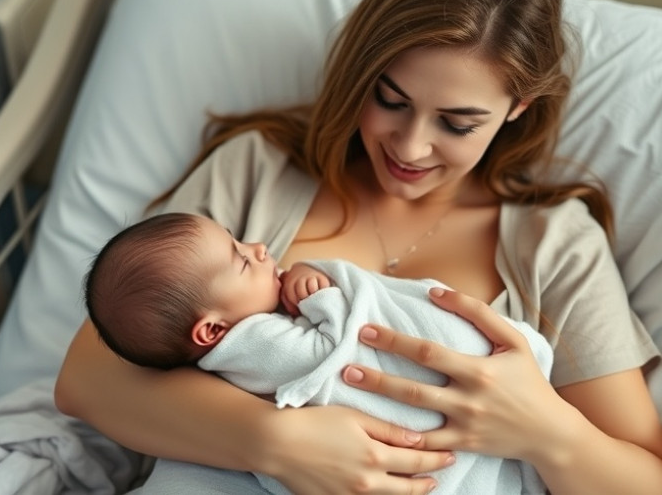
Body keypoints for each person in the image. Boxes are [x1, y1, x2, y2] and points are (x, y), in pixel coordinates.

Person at [55, 0, 662, 493]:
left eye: (458, 123)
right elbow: (86, 379)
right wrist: (278, 444)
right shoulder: (258, 173)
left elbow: (654, 484)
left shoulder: (553, 245)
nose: (410, 147)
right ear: (361, 71)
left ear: (518, 106)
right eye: (391, 99)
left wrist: (549, 433)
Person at [85, 211, 554, 494]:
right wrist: (324, 294)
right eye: (242, 259)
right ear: (211, 331)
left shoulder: (237, 322)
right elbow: (321, 355)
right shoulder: (249, 345)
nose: (261, 247)